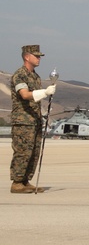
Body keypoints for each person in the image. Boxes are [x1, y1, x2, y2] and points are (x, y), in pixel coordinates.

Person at [9, 45, 55, 193]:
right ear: (27, 57)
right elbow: (25, 94)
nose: (39, 58)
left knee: (34, 151)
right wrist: (44, 92)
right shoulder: (20, 75)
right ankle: (17, 182)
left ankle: (25, 180)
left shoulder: (35, 76)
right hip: (23, 120)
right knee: (23, 151)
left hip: (34, 119)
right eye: (36, 56)